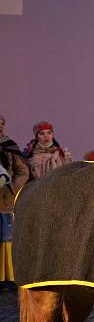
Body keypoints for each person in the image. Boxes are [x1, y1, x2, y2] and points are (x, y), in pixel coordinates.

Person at [0, 114, 29, 286]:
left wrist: (11, 188)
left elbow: (23, 171)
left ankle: (8, 278)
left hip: (6, 198)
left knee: (7, 238)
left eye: (1, 123)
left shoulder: (10, 147)